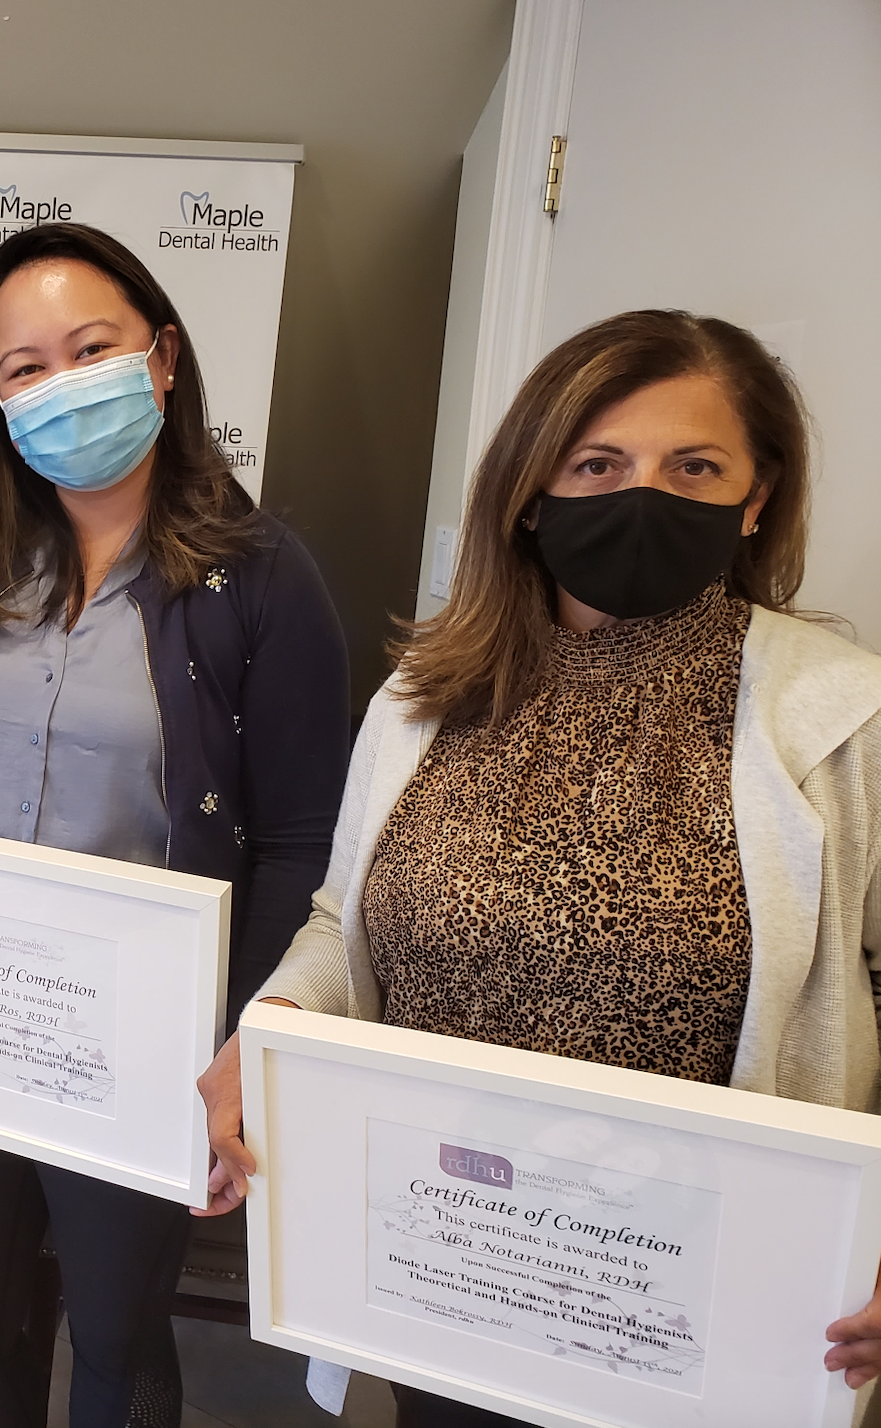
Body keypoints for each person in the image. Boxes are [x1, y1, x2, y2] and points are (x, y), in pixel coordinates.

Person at [196, 309, 881, 1424]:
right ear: (530, 490)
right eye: (597, 463)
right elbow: (343, 925)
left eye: (694, 466)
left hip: (696, 1308)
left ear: (757, 499)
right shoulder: (426, 698)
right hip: (457, 1262)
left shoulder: (844, 719)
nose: (640, 495)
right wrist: (264, 1030)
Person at [0, 221, 351, 1428]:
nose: (59, 383)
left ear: (165, 359)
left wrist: (244, 1048)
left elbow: (301, 840)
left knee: (119, 1333)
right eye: (26, 367)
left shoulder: (266, 578)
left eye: (93, 348)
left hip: (143, 1050)